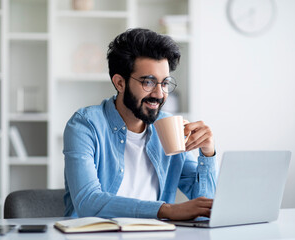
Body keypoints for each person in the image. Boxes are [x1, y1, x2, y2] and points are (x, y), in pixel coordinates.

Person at [63, 28, 217, 220]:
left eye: (165, 83)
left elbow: (206, 205)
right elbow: (88, 202)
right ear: (120, 83)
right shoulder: (85, 125)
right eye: (148, 82)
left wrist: (208, 153)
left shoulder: (168, 126)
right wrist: (167, 210)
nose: (160, 94)